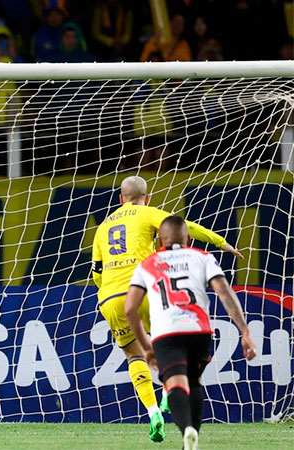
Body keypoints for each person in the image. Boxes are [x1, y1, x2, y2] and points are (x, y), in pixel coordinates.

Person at [90, 175, 242, 443]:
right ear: (146, 198)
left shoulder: (102, 227)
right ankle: (166, 394)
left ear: (119, 198)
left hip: (112, 297)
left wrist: (108, 292)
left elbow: (97, 273)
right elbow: (185, 226)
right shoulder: (147, 212)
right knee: (167, 343)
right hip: (146, 289)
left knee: (133, 355)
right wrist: (221, 242)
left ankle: (152, 413)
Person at [125, 215, 256, 450]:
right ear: (187, 238)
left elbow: (130, 309)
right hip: (199, 330)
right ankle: (192, 437)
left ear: (160, 240)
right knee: (194, 382)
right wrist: (244, 331)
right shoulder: (202, 257)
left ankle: (186, 429)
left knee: (174, 383)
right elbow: (224, 292)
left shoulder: (147, 264)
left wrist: (145, 347)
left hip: (166, 333)